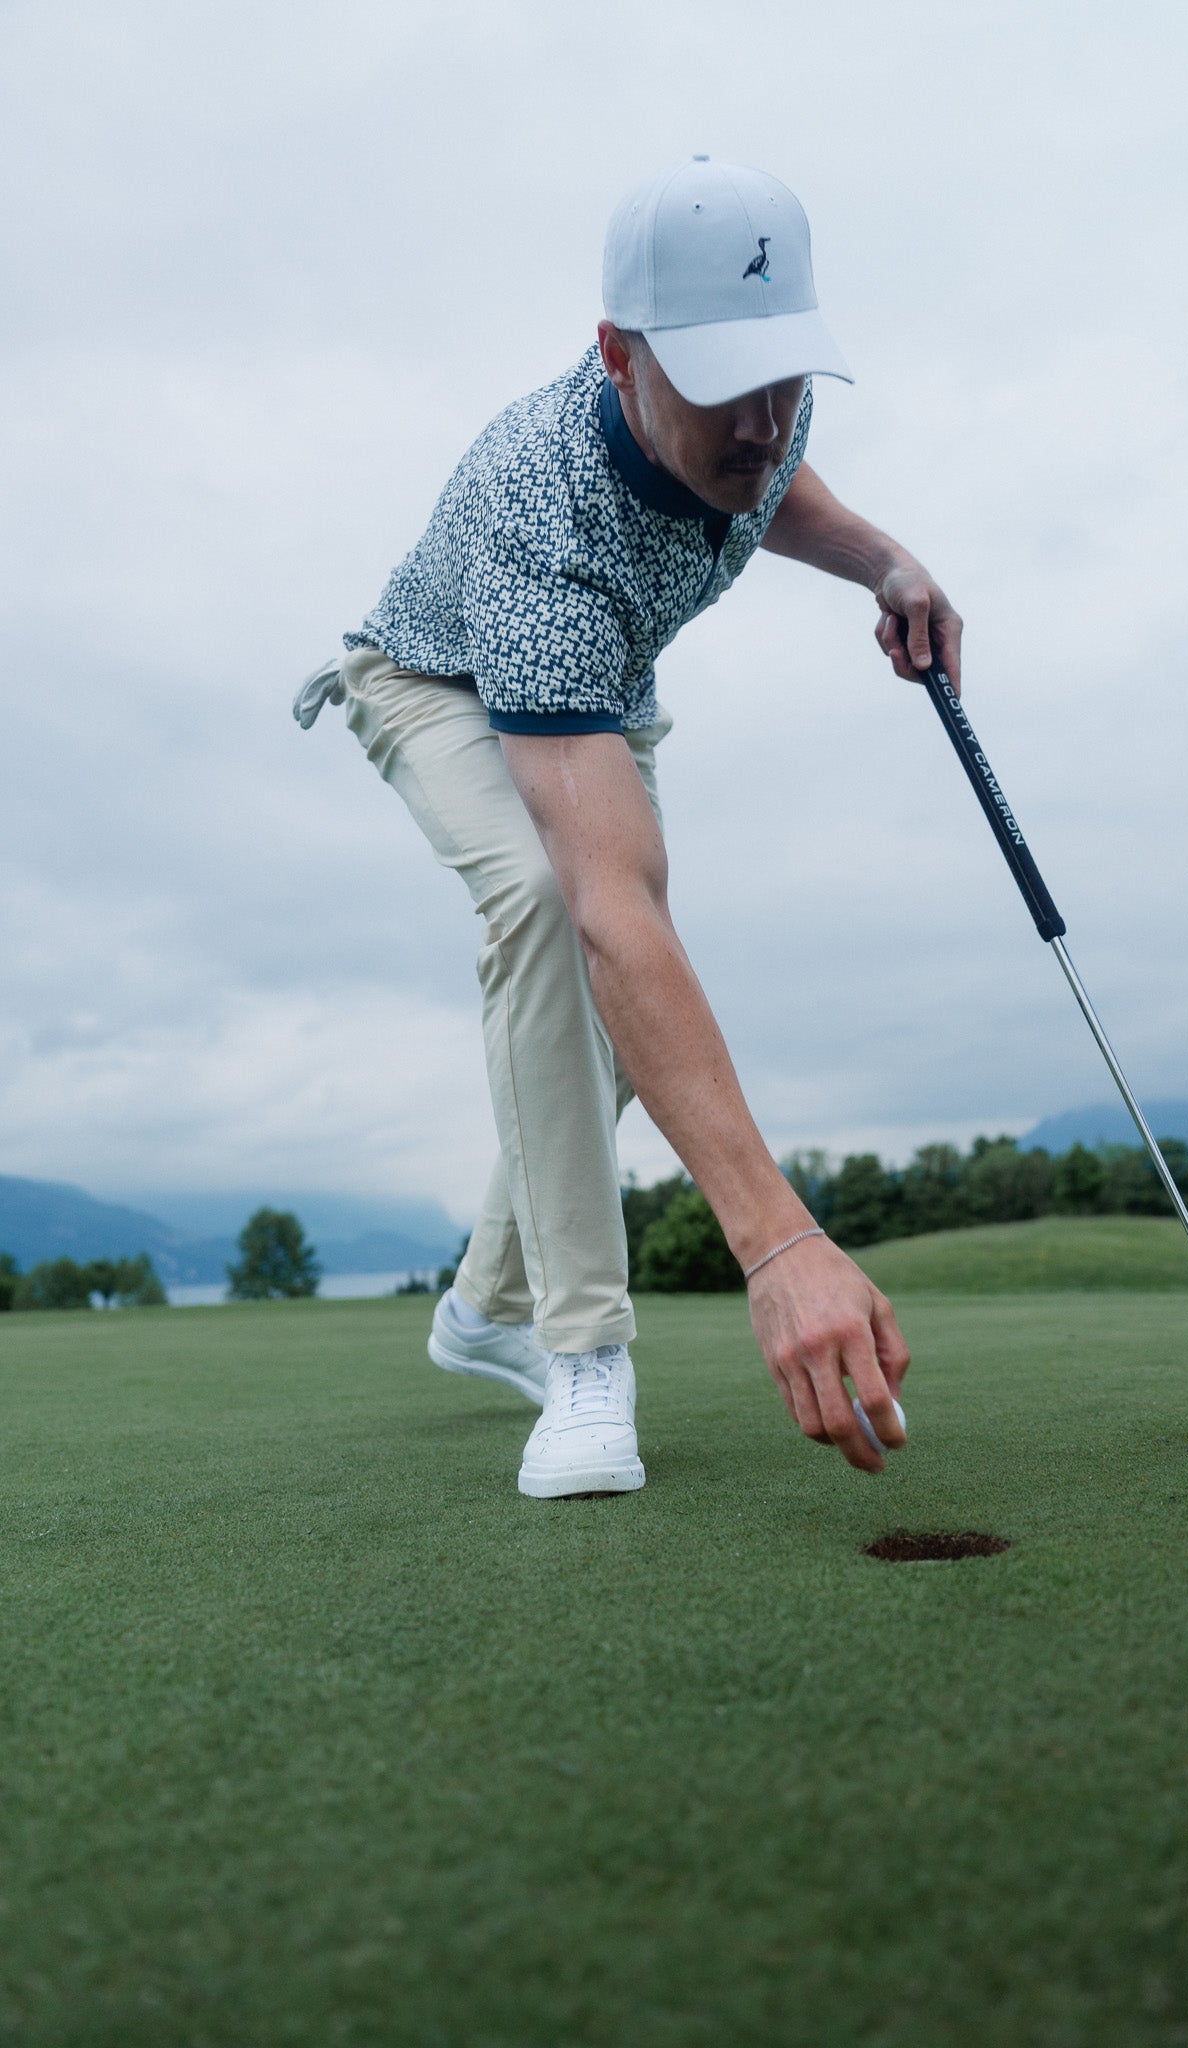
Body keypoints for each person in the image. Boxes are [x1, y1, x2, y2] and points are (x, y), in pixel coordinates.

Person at [294, 156, 962, 1499]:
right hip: (440, 680)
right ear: (619, 354)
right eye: (723, 387)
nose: (763, 422)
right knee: (570, 916)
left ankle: (481, 1306)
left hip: (598, 693)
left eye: (786, 379)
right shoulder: (543, 516)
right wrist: (778, 1244)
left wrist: (887, 565)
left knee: (622, 1007)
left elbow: (784, 491)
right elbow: (609, 912)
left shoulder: (757, 419)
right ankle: (582, 1349)